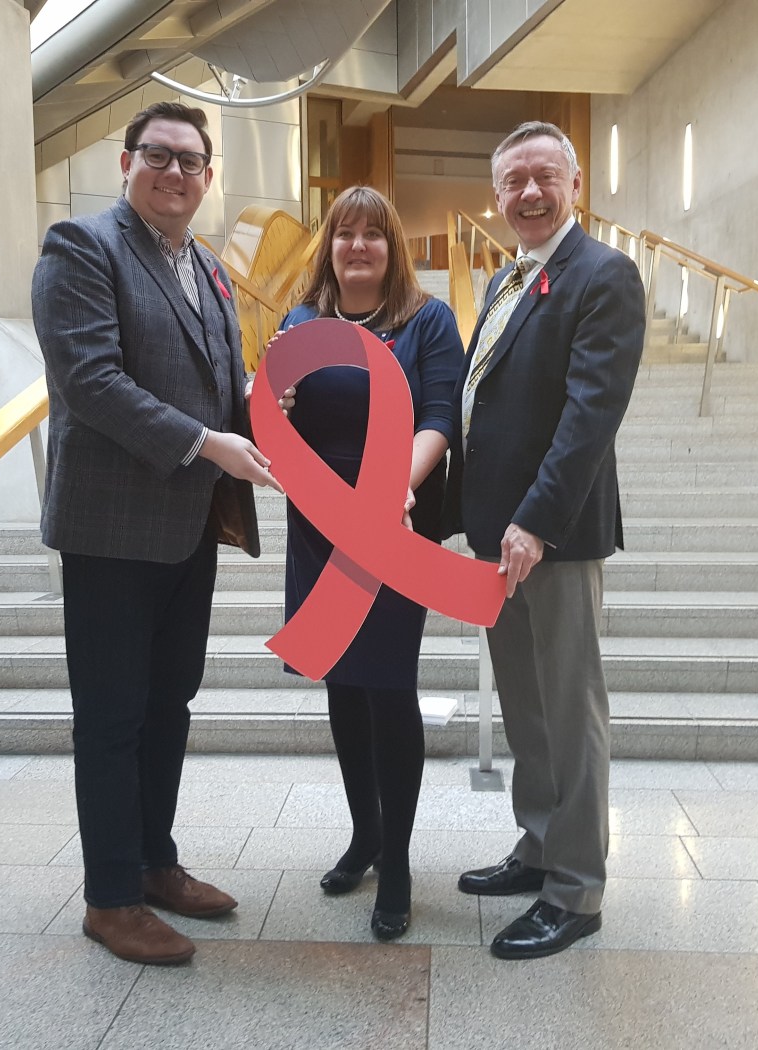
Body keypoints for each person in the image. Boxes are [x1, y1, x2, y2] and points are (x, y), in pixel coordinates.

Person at [31, 101, 282, 966]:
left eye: (191, 161)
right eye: (159, 155)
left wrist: (264, 409)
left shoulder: (206, 266)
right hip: (109, 528)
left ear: (208, 177)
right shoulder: (81, 248)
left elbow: (222, 380)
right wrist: (209, 442)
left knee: (169, 704)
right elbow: (92, 381)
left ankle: (153, 863)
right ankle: (110, 899)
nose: (175, 172)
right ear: (126, 162)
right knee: (111, 717)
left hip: (186, 526)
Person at [443, 121, 645, 960]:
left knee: (569, 712)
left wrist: (534, 519)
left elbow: (590, 413)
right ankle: (537, 845)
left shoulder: (603, 275)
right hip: (499, 538)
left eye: (544, 176)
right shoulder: (506, 279)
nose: (529, 192)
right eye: (513, 180)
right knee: (526, 709)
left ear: (574, 184)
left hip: (551, 537)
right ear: (497, 196)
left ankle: (575, 889)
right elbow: (482, 406)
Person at [271, 186, 464, 941]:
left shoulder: (427, 321)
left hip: (392, 521)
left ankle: (401, 862)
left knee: (387, 685)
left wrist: (394, 488)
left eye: (373, 234)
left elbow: (440, 417)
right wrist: (275, 405)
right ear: (329, 245)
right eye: (345, 232)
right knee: (344, 684)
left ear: (393, 248)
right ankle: (365, 835)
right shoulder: (299, 322)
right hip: (319, 526)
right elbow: (277, 417)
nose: (357, 245)